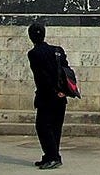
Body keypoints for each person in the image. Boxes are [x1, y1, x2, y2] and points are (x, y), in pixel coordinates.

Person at [27, 23, 67, 169]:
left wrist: (53, 90)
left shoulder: (34, 53)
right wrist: (63, 91)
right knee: (55, 127)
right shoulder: (58, 51)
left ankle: (53, 157)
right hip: (61, 96)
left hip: (47, 96)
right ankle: (51, 156)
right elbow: (66, 72)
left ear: (31, 36)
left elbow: (42, 76)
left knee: (42, 126)